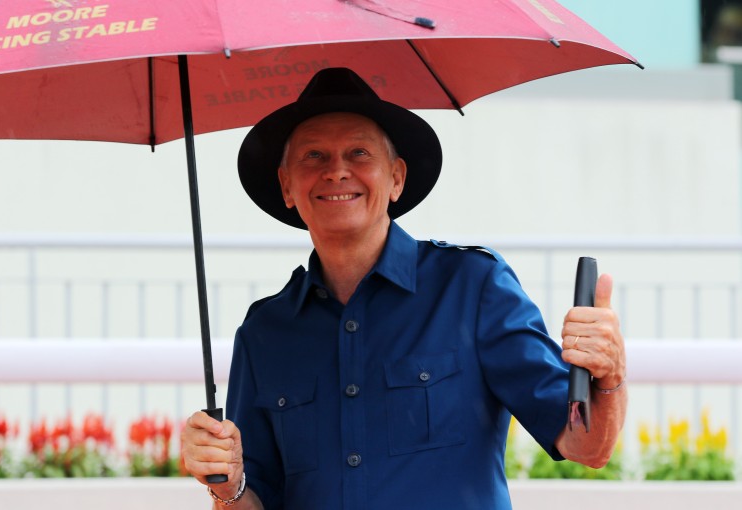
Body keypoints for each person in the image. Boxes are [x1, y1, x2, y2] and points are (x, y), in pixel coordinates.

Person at [181, 68, 626, 509]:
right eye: (314, 156)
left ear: (396, 177)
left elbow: (587, 447)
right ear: (287, 187)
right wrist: (228, 487)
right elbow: (251, 501)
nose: (337, 171)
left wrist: (609, 377)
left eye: (359, 153)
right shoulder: (265, 332)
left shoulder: (473, 287)